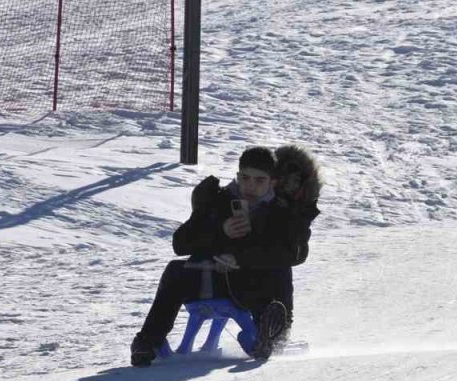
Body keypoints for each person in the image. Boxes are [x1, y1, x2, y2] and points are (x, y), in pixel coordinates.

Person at [130, 145, 321, 367]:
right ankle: (147, 342)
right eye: (246, 178)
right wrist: (220, 232)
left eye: (259, 181)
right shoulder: (219, 201)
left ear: (273, 183)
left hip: (254, 287)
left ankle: (271, 335)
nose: (250, 186)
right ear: (238, 176)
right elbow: (180, 243)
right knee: (175, 269)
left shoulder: (281, 212)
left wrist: (239, 258)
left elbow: (294, 254)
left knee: (279, 266)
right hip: (213, 281)